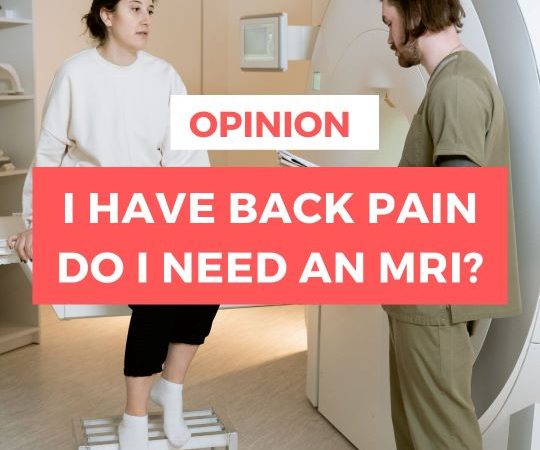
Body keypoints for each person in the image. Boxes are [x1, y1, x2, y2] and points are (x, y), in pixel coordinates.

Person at [8, 1, 219, 449]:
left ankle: (172, 389)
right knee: (158, 290)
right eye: (135, 7)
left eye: (151, 9)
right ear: (106, 15)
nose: (146, 18)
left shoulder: (164, 76)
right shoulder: (75, 74)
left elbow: (188, 160)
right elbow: (49, 155)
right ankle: (135, 417)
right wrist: (38, 222)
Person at [380, 0, 522, 449]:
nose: (388, 37)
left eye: (389, 22)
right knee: (417, 434)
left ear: (412, 10)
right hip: (424, 297)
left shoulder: (456, 88)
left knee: (442, 440)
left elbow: (455, 211)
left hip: (433, 301)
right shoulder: (452, 79)